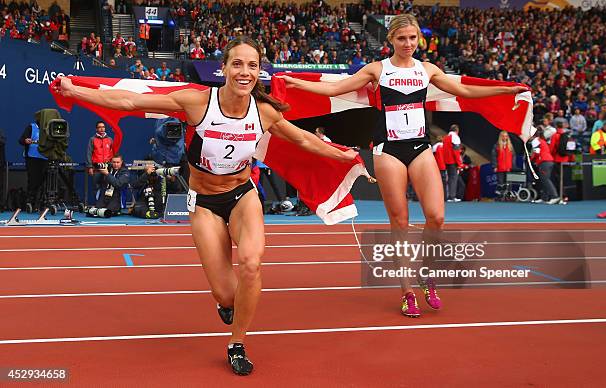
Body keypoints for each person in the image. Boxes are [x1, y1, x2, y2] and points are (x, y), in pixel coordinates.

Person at [54, 36, 356, 376]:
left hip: (242, 195)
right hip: (205, 204)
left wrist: (343, 155)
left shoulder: (264, 112)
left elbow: (302, 139)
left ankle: (236, 343)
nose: (245, 71)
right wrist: (76, 92)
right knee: (228, 295)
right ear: (223, 68)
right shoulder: (197, 102)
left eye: (252, 65)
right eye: (237, 64)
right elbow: (129, 100)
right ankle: (227, 304)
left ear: (260, 71)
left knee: (252, 265)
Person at [279, 13, 528, 318]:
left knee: (436, 217)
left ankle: (427, 275)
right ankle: (407, 291)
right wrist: (296, 82)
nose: (408, 43)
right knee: (399, 222)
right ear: (391, 40)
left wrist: (503, 90)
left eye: (412, 38)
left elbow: (465, 92)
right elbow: (335, 89)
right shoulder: (377, 69)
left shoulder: (428, 69)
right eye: (402, 38)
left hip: (421, 148)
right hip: (389, 151)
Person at [491, 130, 516, 195]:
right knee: (500, 182)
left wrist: (513, 166)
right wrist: (495, 166)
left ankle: (508, 194)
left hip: (508, 167)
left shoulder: (510, 145)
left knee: (509, 182)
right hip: (500, 167)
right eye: (503, 136)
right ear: (501, 137)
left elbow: (513, 156)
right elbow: (494, 156)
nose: (505, 137)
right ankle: (501, 195)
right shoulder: (497, 145)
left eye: (506, 136)